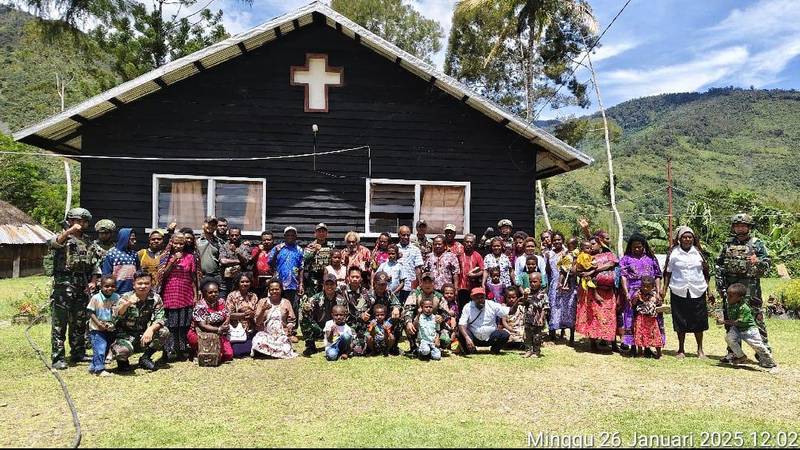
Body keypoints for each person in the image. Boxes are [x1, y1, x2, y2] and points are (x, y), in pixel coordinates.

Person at [715, 213, 771, 359]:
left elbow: (768, 265)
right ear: (733, 228)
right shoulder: (727, 244)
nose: (740, 228)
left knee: (756, 318)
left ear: (748, 227)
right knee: (731, 318)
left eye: (743, 225)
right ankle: (733, 352)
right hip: (731, 288)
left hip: (751, 288)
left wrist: (757, 261)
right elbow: (719, 265)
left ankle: (763, 352)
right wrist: (720, 287)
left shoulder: (757, 243)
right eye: (737, 226)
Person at [49, 207, 99, 369]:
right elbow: (54, 244)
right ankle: (58, 357)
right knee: (60, 322)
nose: (80, 224)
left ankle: (78, 352)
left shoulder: (88, 241)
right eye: (76, 220)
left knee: (79, 321)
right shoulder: (63, 237)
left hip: (82, 284)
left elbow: (95, 263)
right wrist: (68, 231)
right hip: (64, 284)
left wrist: (93, 281)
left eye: (83, 221)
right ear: (69, 221)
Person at [662, 226, 711, 359]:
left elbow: (706, 273)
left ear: (693, 239)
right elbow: (667, 272)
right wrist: (664, 289)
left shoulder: (699, 253)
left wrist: (709, 290)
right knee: (680, 320)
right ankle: (681, 349)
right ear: (679, 239)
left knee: (699, 320)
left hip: (697, 289)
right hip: (679, 290)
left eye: (690, 237)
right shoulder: (673, 253)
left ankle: (700, 350)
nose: (687, 239)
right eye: (684, 237)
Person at [111, 271, 171, 371]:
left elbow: (161, 318)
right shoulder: (125, 297)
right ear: (134, 285)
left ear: (151, 284)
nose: (143, 286)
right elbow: (116, 315)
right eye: (139, 283)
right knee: (122, 351)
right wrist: (128, 304)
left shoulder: (156, 298)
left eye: (146, 283)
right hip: (125, 334)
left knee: (164, 332)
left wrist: (151, 329)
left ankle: (145, 358)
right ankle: (122, 362)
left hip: (143, 333)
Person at [619, 233, 663, 357]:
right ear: (630, 247)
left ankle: (648, 346)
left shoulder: (651, 258)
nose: (637, 249)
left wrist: (658, 292)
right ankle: (633, 346)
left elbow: (658, 275)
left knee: (649, 320)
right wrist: (627, 292)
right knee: (632, 319)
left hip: (650, 294)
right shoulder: (626, 259)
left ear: (644, 246)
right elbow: (623, 276)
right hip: (633, 292)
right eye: (634, 247)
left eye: (639, 247)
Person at [157, 233, 199, 362]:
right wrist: (173, 261)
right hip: (170, 293)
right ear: (172, 243)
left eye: (181, 244)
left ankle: (181, 350)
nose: (178, 246)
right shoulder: (165, 257)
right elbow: (162, 275)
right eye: (176, 243)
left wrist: (195, 295)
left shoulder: (190, 257)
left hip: (185, 293)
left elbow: (193, 278)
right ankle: (169, 350)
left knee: (184, 324)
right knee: (172, 324)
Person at [574, 237, 618, 353]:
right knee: (593, 316)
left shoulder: (609, 254)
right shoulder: (585, 257)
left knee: (609, 316)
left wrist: (593, 270)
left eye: (593, 244)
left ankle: (612, 343)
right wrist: (584, 272)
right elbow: (577, 269)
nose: (591, 247)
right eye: (589, 245)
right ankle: (593, 343)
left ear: (600, 244)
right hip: (592, 291)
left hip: (609, 291)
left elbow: (611, 264)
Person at [718, 283, 776, 369]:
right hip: (737, 329)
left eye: (731, 296)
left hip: (749, 330)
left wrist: (724, 321)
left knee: (758, 346)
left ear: (739, 298)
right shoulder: (730, 303)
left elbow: (739, 322)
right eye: (728, 295)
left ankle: (769, 362)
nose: (728, 297)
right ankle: (741, 356)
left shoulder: (744, 308)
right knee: (729, 338)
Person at [187, 280, 233, 364]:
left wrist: (226, 322)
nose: (214, 294)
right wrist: (219, 329)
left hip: (218, 332)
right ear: (204, 293)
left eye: (216, 292)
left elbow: (227, 314)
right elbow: (203, 326)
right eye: (210, 292)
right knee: (209, 354)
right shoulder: (200, 306)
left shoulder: (221, 302)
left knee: (228, 355)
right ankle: (195, 351)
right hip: (201, 333)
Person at [403, 272, 450, 353]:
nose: (427, 285)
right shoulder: (415, 293)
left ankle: (437, 347)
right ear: (421, 282)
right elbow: (407, 309)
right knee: (405, 322)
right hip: (419, 323)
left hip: (434, 325)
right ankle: (414, 346)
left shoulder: (438, 296)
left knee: (445, 338)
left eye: (430, 282)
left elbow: (446, 312)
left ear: (433, 283)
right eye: (425, 282)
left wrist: (442, 317)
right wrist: (408, 322)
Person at [545, 232, 578, 344]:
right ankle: (553, 335)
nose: (557, 241)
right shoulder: (549, 253)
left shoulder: (568, 252)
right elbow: (548, 271)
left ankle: (572, 337)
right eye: (555, 240)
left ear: (563, 240)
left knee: (569, 308)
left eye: (559, 239)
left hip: (570, 284)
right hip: (555, 284)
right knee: (554, 308)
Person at [251, 280, 298, 359]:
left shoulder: (286, 302)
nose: (274, 291)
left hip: (281, 334)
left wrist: (290, 327)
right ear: (269, 290)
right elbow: (257, 322)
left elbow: (291, 320)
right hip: (266, 333)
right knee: (259, 341)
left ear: (281, 289)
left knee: (285, 347)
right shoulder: (263, 302)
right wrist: (263, 310)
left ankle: (269, 352)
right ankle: (271, 352)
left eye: (277, 289)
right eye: (272, 289)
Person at [457, 287, 511, 355]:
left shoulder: (492, 304)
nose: (480, 300)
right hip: (474, 338)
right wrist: (467, 338)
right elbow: (461, 324)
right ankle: (470, 350)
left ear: (485, 297)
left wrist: (518, 302)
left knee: (504, 335)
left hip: (490, 338)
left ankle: (494, 350)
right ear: (472, 298)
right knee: (460, 333)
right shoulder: (467, 307)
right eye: (477, 298)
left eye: (482, 297)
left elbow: (509, 311)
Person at [336, 266, 375, 356]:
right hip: (347, 325)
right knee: (352, 347)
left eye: (357, 277)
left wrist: (366, 315)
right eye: (352, 277)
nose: (354, 279)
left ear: (361, 278)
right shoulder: (341, 291)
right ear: (348, 278)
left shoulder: (366, 293)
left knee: (360, 350)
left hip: (362, 326)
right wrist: (359, 315)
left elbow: (371, 308)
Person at [269, 226, 305, 320]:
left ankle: (292, 329)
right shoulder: (278, 248)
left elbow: (301, 268)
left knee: (293, 307)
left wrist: (301, 284)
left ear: (296, 236)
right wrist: (276, 253)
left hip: (293, 284)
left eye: (292, 235)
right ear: (284, 236)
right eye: (288, 235)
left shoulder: (299, 250)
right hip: (279, 283)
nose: (290, 237)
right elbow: (270, 263)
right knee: (278, 306)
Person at [86, 275, 119, 376]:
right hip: (97, 328)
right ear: (101, 286)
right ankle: (99, 369)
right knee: (100, 347)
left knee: (106, 348)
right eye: (107, 286)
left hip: (110, 328)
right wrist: (99, 324)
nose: (109, 288)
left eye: (112, 286)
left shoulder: (117, 297)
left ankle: (94, 366)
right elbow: (90, 312)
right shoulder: (95, 298)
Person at [300, 273, 339, 356]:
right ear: (323, 285)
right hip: (319, 328)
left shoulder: (341, 299)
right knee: (304, 320)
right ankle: (310, 346)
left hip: (335, 328)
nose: (329, 287)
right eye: (327, 284)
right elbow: (306, 311)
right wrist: (306, 308)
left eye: (332, 284)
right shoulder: (315, 298)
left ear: (336, 285)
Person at [226, 272, 260, 358]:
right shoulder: (232, 296)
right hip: (237, 330)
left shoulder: (254, 296)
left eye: (247, 282)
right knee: (238, 352)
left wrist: (253, 314)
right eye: (242, 282)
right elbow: (228, 314)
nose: (245, 284)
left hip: (251, 328)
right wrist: (243, 315)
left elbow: (257, 313)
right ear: (238, 283)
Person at [631, 276, 663, 359]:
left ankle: (659, 353)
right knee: (640, 334)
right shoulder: (638, 294)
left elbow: (659, 304)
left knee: (654, 334)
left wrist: (656, 299)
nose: (645, 288)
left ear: (653, 287)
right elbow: (633, 304)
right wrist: (636, 298)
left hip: (652, 319)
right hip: (640, 317)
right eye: (643, 286)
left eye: (648, 287)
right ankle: (640, 352)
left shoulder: (655, 295)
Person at [101, 228, 139, 295]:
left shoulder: (134, 254)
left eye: (135, 239)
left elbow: (138, 271)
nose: (135, 241)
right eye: (132, 239)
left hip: (132, 291)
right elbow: (106, 274)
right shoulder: (112, 253)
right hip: (116, 292)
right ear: (124, 238)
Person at [520, 272, 549, 358]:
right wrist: (525, 297)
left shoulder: (543, 294)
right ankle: (528, 350)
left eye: (535, 282)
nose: (532, 284)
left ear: (540, 282)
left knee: (537, 336)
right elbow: (524, 304)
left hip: (538, 318)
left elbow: (545, 307)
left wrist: (541, 318)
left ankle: (536, 351)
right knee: (527, 335)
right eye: (531, 282)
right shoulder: (528, 292)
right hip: (528, 317)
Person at [303, 223, 335, 296]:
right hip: (314, 277)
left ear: (327, 233)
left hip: (328, 276)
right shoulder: (310, 246)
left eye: (323, 231)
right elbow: (305, 259)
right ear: (315, 233)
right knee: (315, 298)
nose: (321, 233)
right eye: (319, 231)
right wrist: (314, 251)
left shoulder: (331, 246)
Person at [220, 227, 254, 297]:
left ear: (240, 235)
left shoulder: (245, 247)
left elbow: (245, 262)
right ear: (228, 236)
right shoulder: (224, 246)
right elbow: (223, 261)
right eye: (232, 235)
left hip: (241, 281)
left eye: (236, 235)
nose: (234, 237)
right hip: (226, 281)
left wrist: (236, 252)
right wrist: (239, 261)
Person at [197, 217, 225, 297]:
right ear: (203, 225)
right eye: (208, 224)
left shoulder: (220, 242)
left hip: (215, 276)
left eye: (213, 225)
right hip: (200, 277)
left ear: (216, 227)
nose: (211, 226)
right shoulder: (197, 241)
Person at [457, 234, 484, 313]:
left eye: (471, 242)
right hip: (460, 287)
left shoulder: (477, 255)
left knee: (472, 309)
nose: (469, 244)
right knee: (461, 308)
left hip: (472, 287)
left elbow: (483, 270)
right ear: (463, 243)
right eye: (467, 242)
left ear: (474, 243)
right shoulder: (459, 255)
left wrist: (475, 275)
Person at [397, 225, 423, 302]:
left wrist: (420, 284)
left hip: (410, 284)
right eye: (403, 235)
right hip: (397, 285)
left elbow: (418, 268)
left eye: (408, 235)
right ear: (399, 235)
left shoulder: (415, 249)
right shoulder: (394, 249)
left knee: (410, 308)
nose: (406, 237)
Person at [251, 230, 275, 297]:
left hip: (272, 281)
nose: (266, 242)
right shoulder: (256, 249)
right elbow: (250, 261)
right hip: (258, 282)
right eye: (264, 240)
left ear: (273, 240)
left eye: (268, 240)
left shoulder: (276, 251)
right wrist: (258, 251)